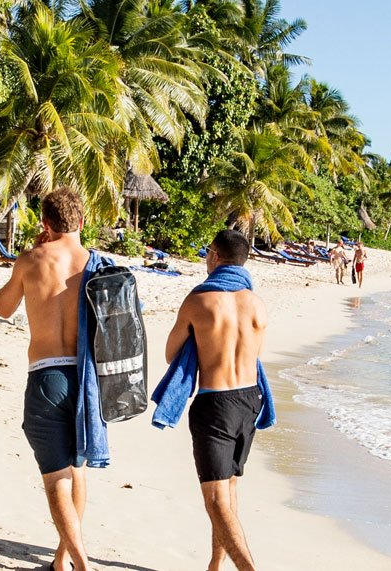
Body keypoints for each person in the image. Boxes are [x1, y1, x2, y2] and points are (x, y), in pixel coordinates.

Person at [0, 189, 99, 571]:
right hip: (88, 381)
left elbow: (2, 309)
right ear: (82, 222)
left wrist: (29, 257)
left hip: (47, 376)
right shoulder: (97, 265)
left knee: (56, 479)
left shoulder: (32, 259)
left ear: (45, 224)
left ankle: (81, 564)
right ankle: (60, 560)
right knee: (78, 469)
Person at [162, 230, 271, 570]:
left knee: (214, 498)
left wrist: (201, 340)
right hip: (251, 400)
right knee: (229, 488)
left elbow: (170, 354)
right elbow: (256, 354)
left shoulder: (199, 300)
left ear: (214, 255)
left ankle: (246, 568)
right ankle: (215, 564)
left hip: (216, 403)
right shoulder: (256, 304)